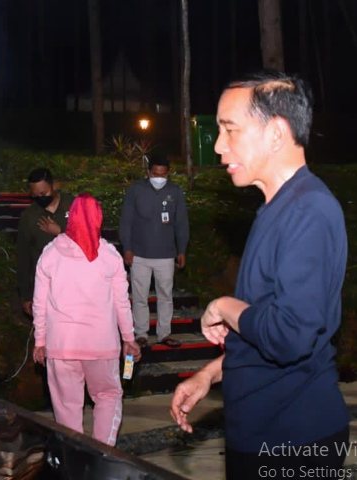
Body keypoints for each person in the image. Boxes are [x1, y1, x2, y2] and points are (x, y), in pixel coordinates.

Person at [170, 71, 349, 478]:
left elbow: (289, 336)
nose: (217, 146)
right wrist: (210, 374)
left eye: (229, 130)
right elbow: (265, 326)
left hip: (294, 443)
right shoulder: (277, 208)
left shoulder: (309, 212)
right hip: (264, 434)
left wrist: (223, 305)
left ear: (276, 133)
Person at [32, 193, 140, 446]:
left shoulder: (50, 253)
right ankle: (102, 454)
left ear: (71, 218)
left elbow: (40, 303)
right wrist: (129, 339)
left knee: (67, 407)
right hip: (102, 346)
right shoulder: (110, 255)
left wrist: (40, 340)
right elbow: (122, 302)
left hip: (62, 346)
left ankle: (76, 459)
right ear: (98, 219)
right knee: (108, 396)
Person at [118, 154, 188, 348]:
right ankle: (141, 333)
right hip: (139, 253)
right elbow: (126, 221)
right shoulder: (136, 190)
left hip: (166, 254)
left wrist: (181, 250)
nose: (159, 177)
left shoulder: (175, 192)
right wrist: (127, 248)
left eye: (163, 174)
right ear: (148, 172)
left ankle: (164, 333)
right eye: (155, 173)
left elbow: (181, 223)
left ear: (169, 173)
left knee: (165, 295)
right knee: (140, 296)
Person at [16, 168, 75, 317]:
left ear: (54, 186)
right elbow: (23, 256)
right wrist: (26, 295)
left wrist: (60, 232)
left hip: (75, 284)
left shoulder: (74, 206)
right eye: (34, 195)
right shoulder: (29, 216)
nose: (40, 198)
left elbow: (89, 240)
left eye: (43, 194)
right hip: (45, 287)